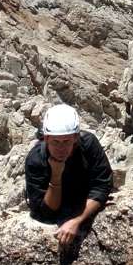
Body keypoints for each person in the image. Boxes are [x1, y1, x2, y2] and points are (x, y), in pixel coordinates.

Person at [25, 103, 113, 253]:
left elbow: (102, 186)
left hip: (84, 198)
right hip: (58, 205)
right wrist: (56, 176)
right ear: (46, 139)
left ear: (75, 138)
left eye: (66, 141)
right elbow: (46, 212)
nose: (61, 148)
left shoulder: (88, 145)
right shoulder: (36, 160)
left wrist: (77, 220)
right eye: (55, 142)